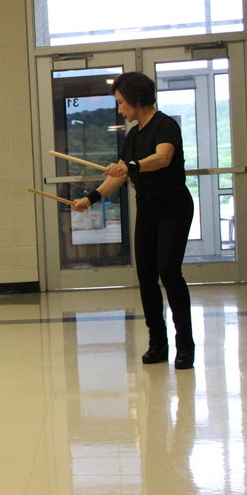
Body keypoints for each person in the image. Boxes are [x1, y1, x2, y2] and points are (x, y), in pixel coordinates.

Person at [71, 71, 195, 370]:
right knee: (146, 277)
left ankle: (185, 345)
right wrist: (91, 198)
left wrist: (132, 165)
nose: (119, 109)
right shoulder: (133, 135)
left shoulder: (166, 126)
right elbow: (121, 175)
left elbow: (162, 158)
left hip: (174, 208)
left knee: (169, 272)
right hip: (148, 210)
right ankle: (157, 343)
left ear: (137, 100)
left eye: (121, 102)